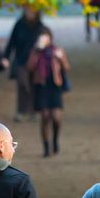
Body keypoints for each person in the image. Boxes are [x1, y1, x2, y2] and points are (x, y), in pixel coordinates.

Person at [25, 28, 71, 158]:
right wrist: (37, 52)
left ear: (50, 38)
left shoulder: (57, 50)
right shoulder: (35, 52)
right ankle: (46, 146)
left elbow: (67, 67)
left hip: (55, 86)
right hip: (41, 86)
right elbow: (29, 67)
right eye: (41, 38)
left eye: (45, 38)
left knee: (56, 117)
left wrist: (60, 58)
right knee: (45, 117)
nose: (43, 40)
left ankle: (55, 140)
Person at [4, 8, 46, 121]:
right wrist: (5, 57)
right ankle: (21, 111)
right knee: (23, 85)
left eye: (32, 11)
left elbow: (46, 44)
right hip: (21, 61)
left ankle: (33, 111)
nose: (30, 13)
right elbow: (11, 42)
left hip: (36, 62)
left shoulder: (40, 27)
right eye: (28, 11)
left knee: (33, 86)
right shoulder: (19, 25)